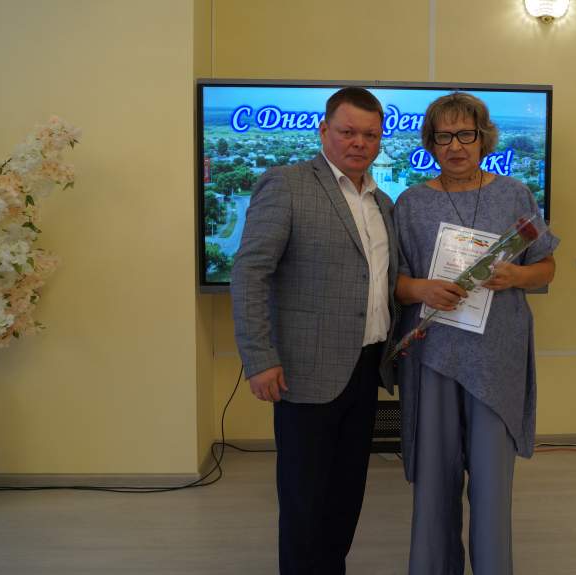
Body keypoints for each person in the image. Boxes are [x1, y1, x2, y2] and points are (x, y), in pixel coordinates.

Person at [231, 87, 398, 575]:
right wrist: (260, 358)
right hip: (303, 372)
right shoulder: (287, 184)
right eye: (347, 131)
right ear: (324, 131)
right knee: (305, 502)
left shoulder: (382, 201)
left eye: (370, 135)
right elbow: (250, 273)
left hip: (366, 368)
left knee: (346, 496)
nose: (359, 143)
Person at [393, 92, 559, 575]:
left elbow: (547, 266)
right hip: (433, 356)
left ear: (483, 138)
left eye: (465, 134)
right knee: (434, 482)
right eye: (443, 136)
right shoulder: (411, 203)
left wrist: (517, 276)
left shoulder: (515, 195)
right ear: (430, 143)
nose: (455, 146)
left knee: (492, 485)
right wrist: (421, 288)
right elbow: (393, 283)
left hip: (495, 359)